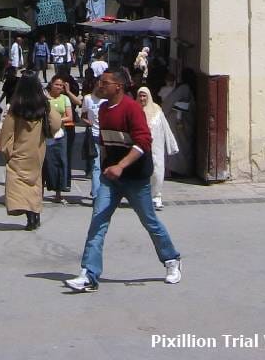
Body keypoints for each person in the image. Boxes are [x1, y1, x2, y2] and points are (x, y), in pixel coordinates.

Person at [65, 68, 182, 292]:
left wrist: (121, 166)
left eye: (105, 82)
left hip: (135, 178)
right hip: (111, 178)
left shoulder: (132, 109)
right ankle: (89, 274)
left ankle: (172, 260)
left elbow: (143, 142)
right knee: (98, 221)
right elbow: (105, 143)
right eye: (101, 82)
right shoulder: (103, 109)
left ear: (118, 86)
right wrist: (105, 167)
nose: (100, 85)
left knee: (149, 221)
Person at [0, 74, 62, 230]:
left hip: (20, 150)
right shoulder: (44, 106)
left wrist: (6, 149)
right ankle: (35, 214)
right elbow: (56, 123)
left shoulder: (16, 107)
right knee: (35, 182)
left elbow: (7, 131)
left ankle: (29, 215)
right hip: (37, 150)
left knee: (20, 181)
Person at [137, 86, 179, 209]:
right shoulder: (134, 110)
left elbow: (166, 128)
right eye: (140, 95)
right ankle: (142, 198)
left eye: (144, 95)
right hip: (139, 147)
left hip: (156, 147)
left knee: (157, 171)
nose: (142, 98)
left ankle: (156, 196)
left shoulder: (157, 110)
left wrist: (172, 145)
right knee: (142, 172)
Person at [162, 67, 197, 177]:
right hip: (181, 123)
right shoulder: (186, 88)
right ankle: (181, 169)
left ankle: (180, 170)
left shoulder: (184, 88)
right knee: (182, 147)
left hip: (180, 123)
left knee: (181, 147)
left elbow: (170, 103)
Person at [43, 76, 72, 203]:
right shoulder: (44, 99)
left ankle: (58, 193)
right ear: (51, 84)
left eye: (61, 85)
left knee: (60, 162)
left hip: (60, 134)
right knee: (45, 163)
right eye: (56, 84)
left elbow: (69, 116)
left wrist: (57, 121)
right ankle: (40, 192)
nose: (59, 87)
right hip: (46, 135)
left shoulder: (65, 99)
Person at [80, 71, 105, 200]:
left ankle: (104, 192)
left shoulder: (107, 100)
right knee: (96, 166)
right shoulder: (88, 99)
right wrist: (87, 122)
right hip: (94, 135)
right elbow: (83, 115)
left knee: (106, 165)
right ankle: (96, 195)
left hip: (107, 137)